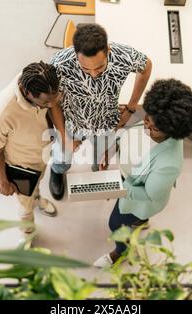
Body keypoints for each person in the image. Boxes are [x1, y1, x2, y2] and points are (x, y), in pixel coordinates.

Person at [93, 79, 192, 268]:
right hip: (129, 180)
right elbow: (129, 138)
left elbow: (149, 194)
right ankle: (140, 222)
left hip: (137, 197)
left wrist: (118, 188)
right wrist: (112, 150)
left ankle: (121, 251)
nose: (145, 126)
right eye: (146, 119)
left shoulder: (169, 164)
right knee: (135, 220)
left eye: (153, 128)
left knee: (116, 225)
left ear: (172, 131)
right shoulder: (154, 124)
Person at [48, 23, 153, 200]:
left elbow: (146, 66)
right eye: (86, 69)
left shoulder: (123, 56)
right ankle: (57, 172)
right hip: (72, 121)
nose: (94, 74)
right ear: (75, 54)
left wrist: (131, 107)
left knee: (103, 157)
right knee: (62, 155)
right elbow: (53, 103)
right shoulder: (58, 64)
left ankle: (98, 173)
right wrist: (65, 137)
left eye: (99, 67)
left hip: (108, 121)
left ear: (108, 50)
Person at [0, 61, 61, 246]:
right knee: (24, 207)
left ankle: (37, 199)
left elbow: (51, 104)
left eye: (54, 97)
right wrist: (4, 182)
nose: (52, 104)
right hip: (22, 164)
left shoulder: (39, 79)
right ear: (27, 93)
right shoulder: (1, 114)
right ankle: (27, 233)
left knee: (37, 185)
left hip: (42, 154)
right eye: (45, 102)